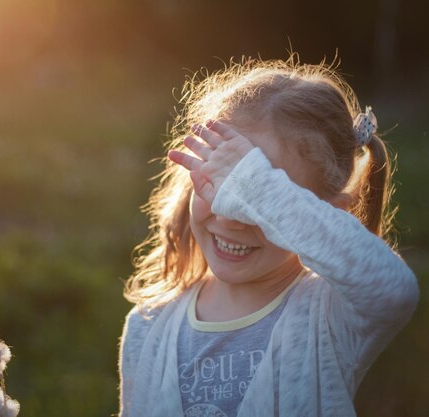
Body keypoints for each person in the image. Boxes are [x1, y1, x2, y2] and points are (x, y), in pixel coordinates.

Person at [118, 57, 419, 417]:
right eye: (223, 183)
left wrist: (257, 186)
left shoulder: (329, 314)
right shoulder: (147, 326)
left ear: (326, 211)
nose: (231, 217)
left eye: (260, 197)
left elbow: (395, 291)